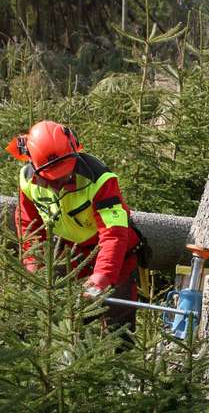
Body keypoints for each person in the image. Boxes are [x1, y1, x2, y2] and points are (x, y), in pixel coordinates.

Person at [6, 119, 140, 333]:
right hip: (65, 252)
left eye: (66, 175)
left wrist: (102, 276)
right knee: (64, 323)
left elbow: (113, 235)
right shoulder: (27, 181)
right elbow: (28, 225)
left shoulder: (100, 180)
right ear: (35, 166)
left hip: (111, 253)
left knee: (119, 320)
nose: (62, 183)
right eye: (54, 179)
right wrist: (34, 263)